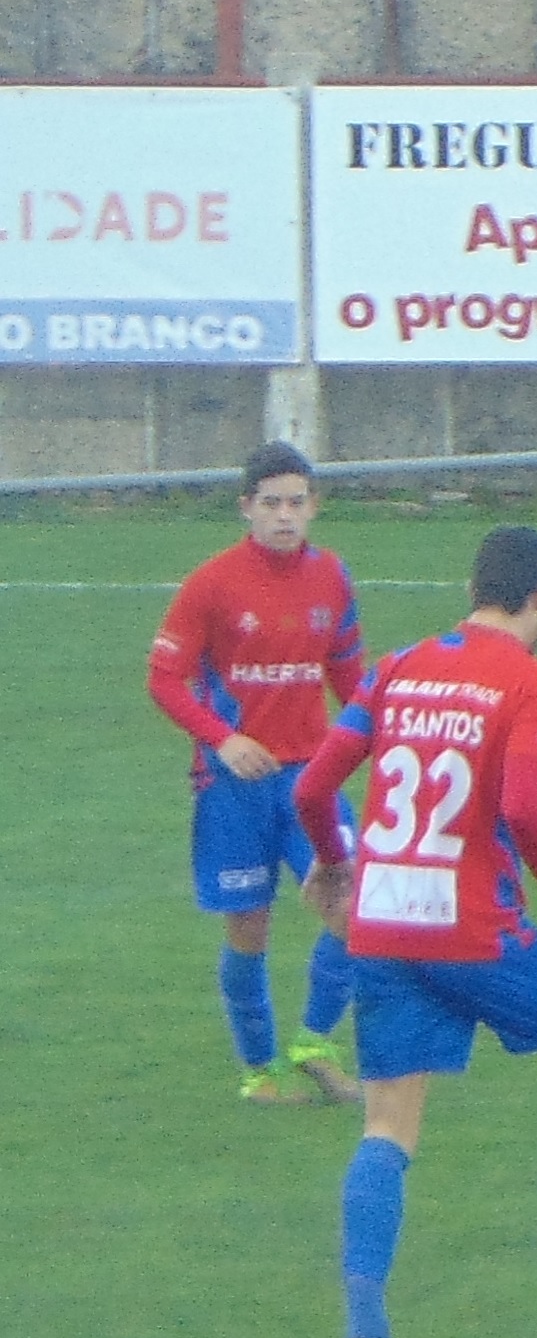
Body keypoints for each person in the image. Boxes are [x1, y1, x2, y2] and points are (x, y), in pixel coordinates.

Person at [291, 526, 537, 1338]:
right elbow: (526, 807)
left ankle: (369, 1336)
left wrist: (336, 859)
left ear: (474, 585)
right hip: (470, 926)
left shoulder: (397, 667)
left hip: (382, 923)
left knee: (388, 1124)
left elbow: (314, 787)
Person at [145, 441, 371, 1104]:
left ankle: (314, 1042)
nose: (283, 514)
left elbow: (350, 676)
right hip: (235, 787)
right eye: (270, 502)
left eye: (295, 502)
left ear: (314, 506)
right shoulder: (212, 583)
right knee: (251, 927)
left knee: (355, 907)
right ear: (246, 507)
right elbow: (165, 678)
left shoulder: (333, 577)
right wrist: (224, 737)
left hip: (312, 783)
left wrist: (378, 738)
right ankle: (260, 1072)